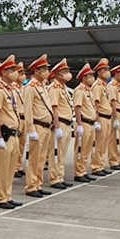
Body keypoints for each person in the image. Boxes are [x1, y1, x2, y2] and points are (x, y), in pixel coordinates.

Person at [0, 56, 23, 210]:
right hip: (4, 134)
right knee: (1, 170)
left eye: (15, 70)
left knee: (10, 170)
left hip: (14, 135)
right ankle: (0, 198)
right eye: (11, 70)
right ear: (3, 72)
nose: (15, 73)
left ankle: (7, 195)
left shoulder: (11, 90)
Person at [23, 55, 56, 198]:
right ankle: (31, 186)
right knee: (35, 158)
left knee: (42, 159)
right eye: (44, 69)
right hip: (37, 126)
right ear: (36, 71)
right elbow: (28, 110)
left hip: (46, 127)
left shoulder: (42, 86)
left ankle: (38, 184)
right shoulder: (30, 87)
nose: (46, 71)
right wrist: (30, 129)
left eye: (47, 69)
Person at [47, 59, 74, 190]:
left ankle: (60, 177)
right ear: (58, 74)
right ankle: (54, 178)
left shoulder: (63, 88)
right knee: (56, 153)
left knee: (62, 153)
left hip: (67, 124)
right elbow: (54, 108)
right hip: (60, 123)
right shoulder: (54, 88)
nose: (68, 74)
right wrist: (57, 126)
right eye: (65, 71)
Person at [73, 63, 98, 183]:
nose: (92, 78)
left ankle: (83, 170)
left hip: (91, 123)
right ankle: (78, 172)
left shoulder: (89, 90)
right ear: (84, 77)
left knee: (87, 149)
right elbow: (77, 107)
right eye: (90, 75)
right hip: (83, 123)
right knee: (80, 149)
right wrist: (79, 124)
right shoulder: (79, 90)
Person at [90, 58, 113, 177]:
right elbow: (96, 104)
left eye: (108, 69)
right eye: (104, 70)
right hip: (102, 118)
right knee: (99, 143)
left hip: (107, 117)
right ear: (99, 72)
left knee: (104, 143)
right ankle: (96, 166)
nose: (107, 71)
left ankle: (101, 165)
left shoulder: (104, 85)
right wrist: (97, 121)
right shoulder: (97, 86)